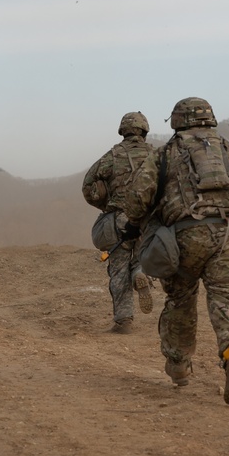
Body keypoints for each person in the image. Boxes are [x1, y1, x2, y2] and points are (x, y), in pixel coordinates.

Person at [124, 97, 229, 404]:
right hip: (228, 236)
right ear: (210, 119)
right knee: (228, 297)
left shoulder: (166, 153)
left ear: (176, 121)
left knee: (181, 299)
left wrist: (134, 223)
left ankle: (179, 365)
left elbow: (138, 197)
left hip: (183, 237)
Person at [82, 111, 156, 334]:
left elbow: (88, 185)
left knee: (118, 268)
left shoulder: (112, 156)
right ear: (144, 130)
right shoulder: (157, 154)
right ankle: (140, 273)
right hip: (149, 219)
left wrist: (105, 205)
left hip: (120, 219)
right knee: (144, 255)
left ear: (122, 130)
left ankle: (124, 321)